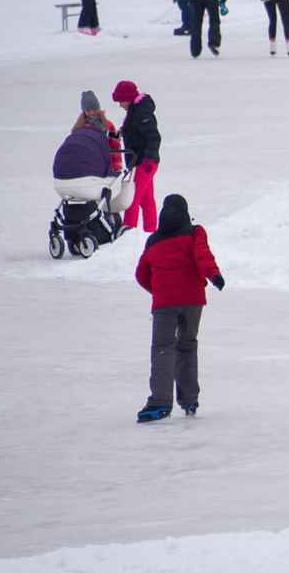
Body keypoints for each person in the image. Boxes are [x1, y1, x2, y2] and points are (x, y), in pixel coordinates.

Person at [134, 194, 224, 423]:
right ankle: (190, 399)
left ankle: (159, 403)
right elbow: (203, 255)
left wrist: (160, 291)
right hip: (193, 300)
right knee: (187, 346)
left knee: (163, 348)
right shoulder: (195, 233)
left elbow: (141, 275)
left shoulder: (154, 240)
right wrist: (214, 276)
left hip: (165, 303)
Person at [112, 80, 161, 233]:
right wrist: (118, 134)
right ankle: (150, 233)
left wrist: (148, 158)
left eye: (122, 101)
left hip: (145, 163)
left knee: (132, 199)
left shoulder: (141, 113)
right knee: (146, 201)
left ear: (129, 98)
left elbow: (154, 137)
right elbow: (134, 132)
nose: (120, 105)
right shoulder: (135, 112)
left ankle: (128, 233)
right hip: (140, 162)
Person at [72, 90, 124, 172]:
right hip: (88, 167)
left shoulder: (108, 125)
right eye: (88, 110)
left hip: (108, 166)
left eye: (94, 109)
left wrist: (117, 166)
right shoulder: (80, 128)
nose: (92, 112)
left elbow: (115, 144)